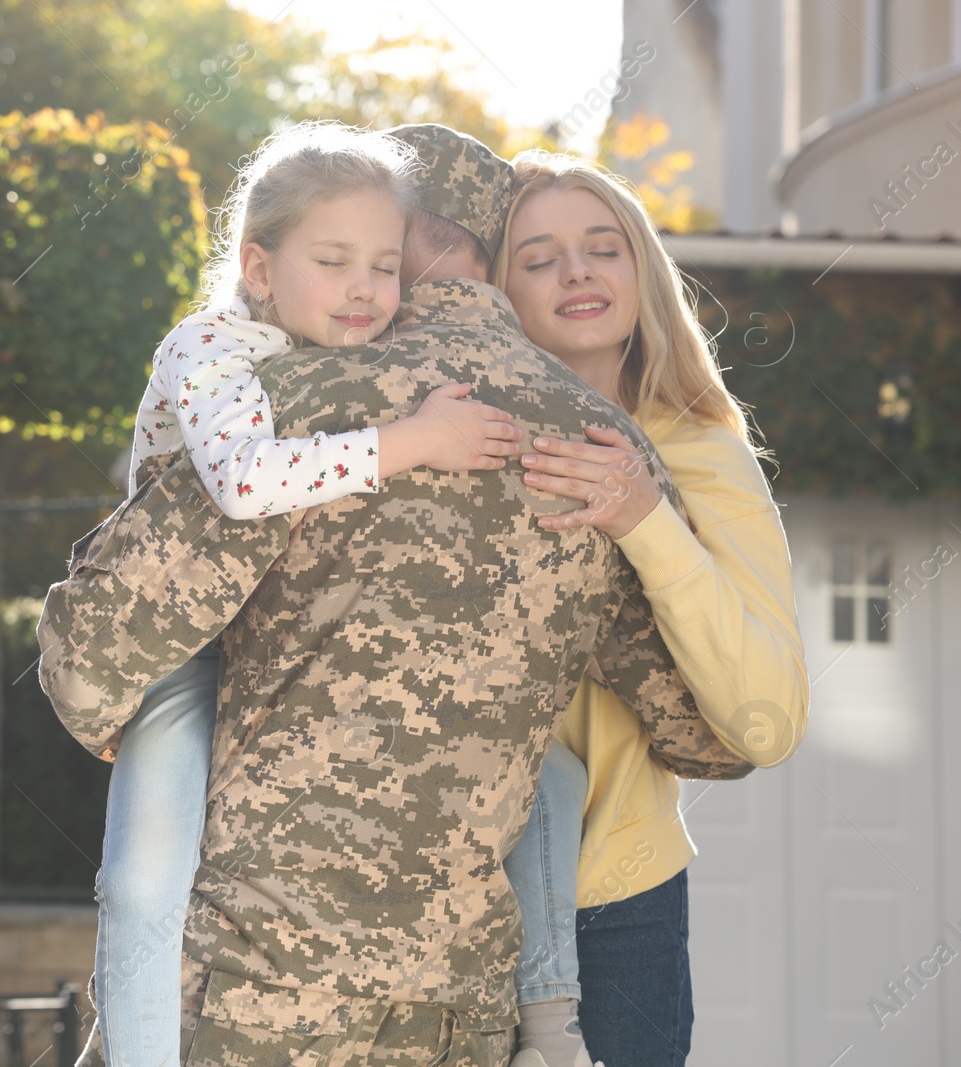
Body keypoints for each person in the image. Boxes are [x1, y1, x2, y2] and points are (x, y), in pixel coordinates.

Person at [39, 124, 753, 1066]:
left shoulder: (289, 398)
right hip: (453, 1010)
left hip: (253, 991)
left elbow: (87, 664)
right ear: (493, 254)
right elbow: (705, 732)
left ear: (404, 237)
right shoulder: (598, 446)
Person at [96, 121, 522, 1067]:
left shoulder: (344, 357)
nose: (366, 288)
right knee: (144, 876)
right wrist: (412, 441)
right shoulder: (211, 345)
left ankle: (554, 1020)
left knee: (555, 779)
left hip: (285, 641)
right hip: (188, 646)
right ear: (258, 266)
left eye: (384, 264)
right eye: (333, 261)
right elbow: (246, 481)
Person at [495, 153, 808, 1067]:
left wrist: (646, 520)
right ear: (493, 287)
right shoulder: (454, 433)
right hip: (447, 893)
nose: (579, 272)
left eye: (604, 247)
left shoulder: (705, 450)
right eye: (540, 256)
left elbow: (770, 719)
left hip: (617, 907)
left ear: (643, 273)